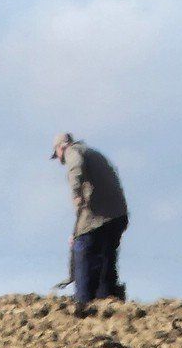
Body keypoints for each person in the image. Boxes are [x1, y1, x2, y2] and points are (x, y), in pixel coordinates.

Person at [51, 132, 129, 315]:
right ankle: (108, 302)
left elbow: (75, 168)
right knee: (106, 262)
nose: (60, 160)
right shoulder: (93, 153)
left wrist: (76, 192)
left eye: (58, 156)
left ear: (61, 147)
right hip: (117, 216)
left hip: (99, 218)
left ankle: (84, 306)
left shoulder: (73, 152)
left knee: (83, 252)